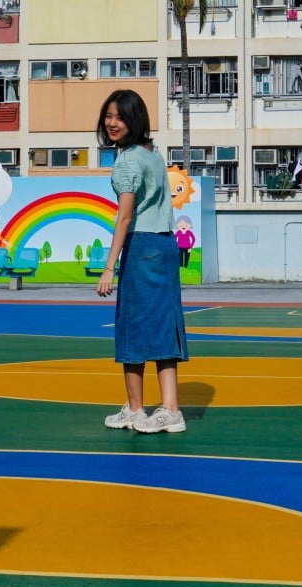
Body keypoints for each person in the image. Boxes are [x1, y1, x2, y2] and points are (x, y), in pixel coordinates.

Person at [95, 89, 188, 434]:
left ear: (135, 119)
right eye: (108, 116)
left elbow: (124, 216)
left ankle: (136, 409)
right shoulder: (153, 152)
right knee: (164, 325)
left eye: (119, 116)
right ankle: (171, 409)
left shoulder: (128, 160)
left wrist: (109, 267)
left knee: (131, 328)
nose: (112, 123)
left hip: (142, 246)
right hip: (165, 245)